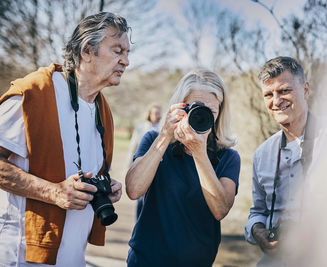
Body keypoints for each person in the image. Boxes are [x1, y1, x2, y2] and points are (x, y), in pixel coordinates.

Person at [0, 12, 129, 266]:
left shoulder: (103, 111)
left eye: (127, 53)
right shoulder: (34, 93)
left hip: (74, 258)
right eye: (117, 51)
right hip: (20, 257)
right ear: (86, 51)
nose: (126, 61)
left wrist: (105, 187)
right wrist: (54, 192)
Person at [125, 69, 241, 267]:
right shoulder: (155, 140)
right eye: (195, 108)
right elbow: (134, 190)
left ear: (220, 113)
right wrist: (164, 137)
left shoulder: (228, 157)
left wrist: (199, 152)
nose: (201, 116)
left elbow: (220, 210)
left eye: (210, 112)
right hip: (146, 260)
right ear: (179, 106)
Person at [244, 56, 323, 266]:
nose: (276, 101)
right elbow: (257, 212)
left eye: (284, 91)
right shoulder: (262, 154)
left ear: (306, 90)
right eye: (269, 94)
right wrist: (258, 232)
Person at [126, 104, 162, 219]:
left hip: (157, 165)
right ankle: (139, 220)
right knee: (141, 197)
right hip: (142, 162)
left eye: (158, 113)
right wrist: (130, 166)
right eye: (154, 113)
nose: (157, 115)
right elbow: (133, 146)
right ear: (149, 114)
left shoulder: (163, 127)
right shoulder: (142, 128)